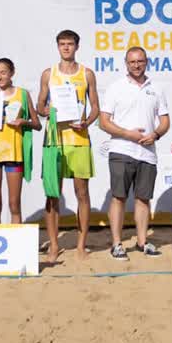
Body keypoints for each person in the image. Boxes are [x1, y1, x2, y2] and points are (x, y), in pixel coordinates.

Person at [98, 45, 170, 260]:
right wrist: (126, 134)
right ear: (126, 64)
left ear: (146, 62)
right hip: (121, 150)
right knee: (119, 197)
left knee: (143, 198)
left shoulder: (156, 88)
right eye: (132, 62)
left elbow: (165, 120)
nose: (136, 65)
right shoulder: (115, 88)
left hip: (147, 153)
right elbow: (103, 121)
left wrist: (156, 134)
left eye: (140, 61)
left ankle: (142, 241)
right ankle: (117, 244)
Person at [37, 29, 100, 263]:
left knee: (82, 193)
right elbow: (39, 106)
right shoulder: (48, 74)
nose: (66, 47)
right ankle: (54, 245)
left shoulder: (87, 74)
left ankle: (81, 245)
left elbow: (95, 107)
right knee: (53, 194)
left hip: (79, 140)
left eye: (70, 44)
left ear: (77, 46)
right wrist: (49, 112)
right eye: (62, 44)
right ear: (57, 46)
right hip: (54, 140)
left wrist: (87, 122)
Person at [0, 57, 39, 224]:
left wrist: (23, 121)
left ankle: (17, 246)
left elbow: (37, 124)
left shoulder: (22, 94)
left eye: (3, 72)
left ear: (12, 73)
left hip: (14, 152)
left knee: (14, 204)